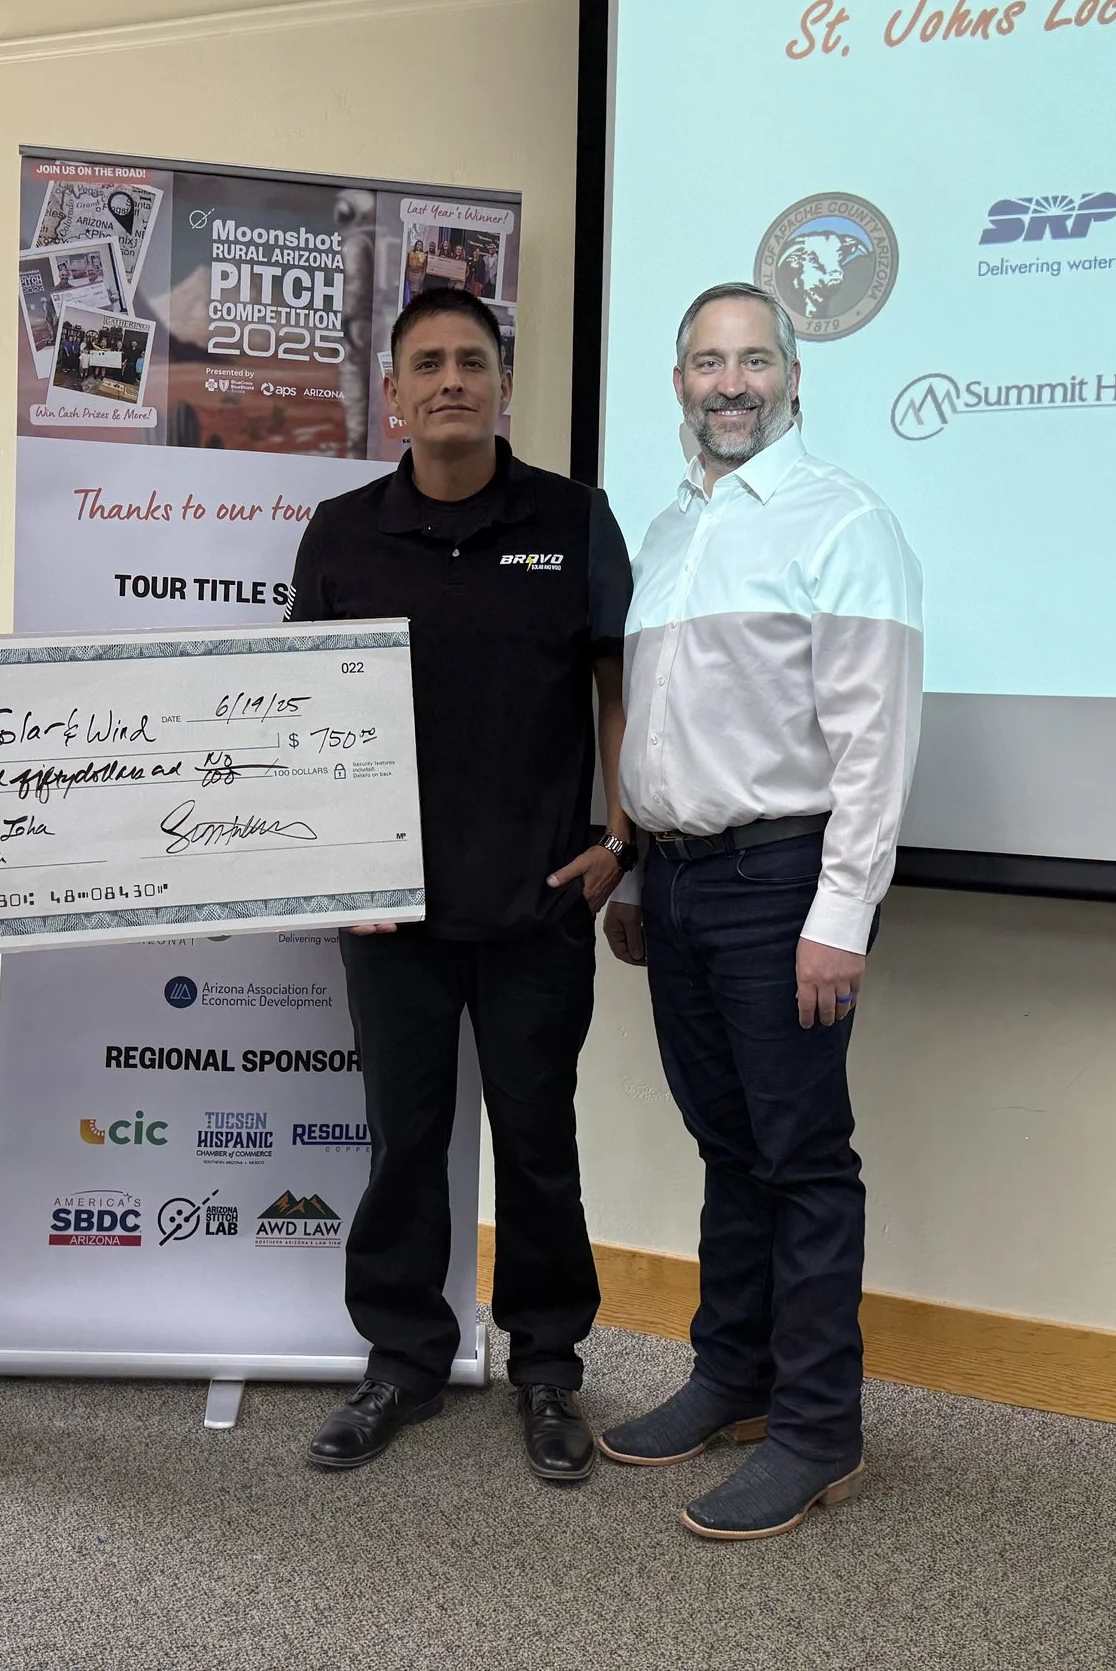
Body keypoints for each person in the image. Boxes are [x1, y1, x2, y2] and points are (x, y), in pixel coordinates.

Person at [289, 285, 634, 1481]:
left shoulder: (575, 519)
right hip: (389, 909)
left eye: (471, 362)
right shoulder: (340, 533)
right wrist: (327, 862)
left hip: (538, 895)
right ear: (391, 394)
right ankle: (401, 1362)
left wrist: (619, 840)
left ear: (501, 386)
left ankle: (547, 1368)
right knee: (404, 1142)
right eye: (427, 363)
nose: (450, 380)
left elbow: (619, 692)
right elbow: (300, 712)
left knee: (539, 1142)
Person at [598, 282, 923, 1541]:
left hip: (784, 885)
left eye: (751, 362)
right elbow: (668, 730)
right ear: (678, 383)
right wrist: (633, 870)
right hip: (675, 883)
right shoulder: (673, 529)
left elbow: (874, 740)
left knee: (800, 1162)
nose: (728, 384)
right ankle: (731, 1378)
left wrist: (843, 913)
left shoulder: (844, 524)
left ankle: (814, 1428)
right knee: (727, 1150)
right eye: (702, 363)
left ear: (793, 376)